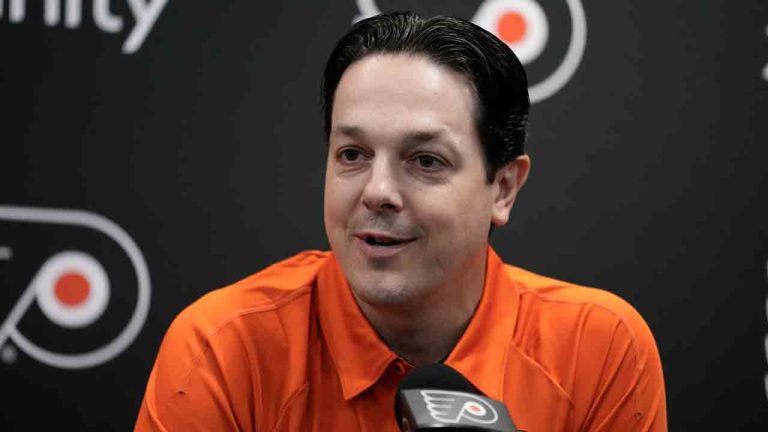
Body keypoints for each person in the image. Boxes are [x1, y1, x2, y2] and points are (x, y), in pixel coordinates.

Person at [136, 11, 667, 431]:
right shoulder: (224, 347)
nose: (378, 192)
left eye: (425, 161)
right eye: (352, 154)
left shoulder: (597, 347)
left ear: (503, 188)